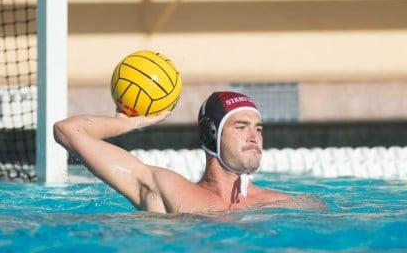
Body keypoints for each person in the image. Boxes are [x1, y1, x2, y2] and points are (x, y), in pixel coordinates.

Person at [53, 91, 323, 215]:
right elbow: (68, 130)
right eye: (241, 127)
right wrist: (129, 122)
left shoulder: (290, 204)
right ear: (211, 133)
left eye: (258, 128)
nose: (254, 137)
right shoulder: (165, 189)